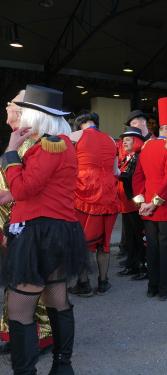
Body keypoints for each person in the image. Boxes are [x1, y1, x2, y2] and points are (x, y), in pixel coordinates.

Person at [0, 84, 88, 374]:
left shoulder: (50, 145)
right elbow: (44, 186)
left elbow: (26, 188)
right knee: (56, 298)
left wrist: (10, 152)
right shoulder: (59, 143)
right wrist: (10, 193)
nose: (18, 117)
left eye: (22, 112)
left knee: (18, 308)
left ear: (36, 117)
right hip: (58, 231)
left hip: (38, 233)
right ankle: (63, 366)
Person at [0, 90, 53, 356]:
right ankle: (15, 334)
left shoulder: (33, 143)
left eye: (13, 104)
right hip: (9, 222)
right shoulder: (19, 139)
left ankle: (40, 337)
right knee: (13, 283)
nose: (8, 107)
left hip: (22, 224)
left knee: (30, 285)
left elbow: (23, 189)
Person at [132, 97, 167, 301]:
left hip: (147, 208)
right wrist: (153, 203)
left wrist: (142, 203)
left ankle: (152, 287)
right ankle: (164, 289)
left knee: (152, 249)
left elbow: (137, 177)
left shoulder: (147, 147)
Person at [68, 111, 120, 297]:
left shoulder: (74, 137)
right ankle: (103, 282)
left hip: (84, 194)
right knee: (104, 243)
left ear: (79, 125)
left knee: (84, 242)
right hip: (109, 196)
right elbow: (116, 171)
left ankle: (84, 284)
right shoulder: (110, 140)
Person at [116, 127, 147, 280]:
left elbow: (132, 179)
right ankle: (132, 265)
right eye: (123, 140)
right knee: (130, 238)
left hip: (135, 205)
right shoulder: (130, 157)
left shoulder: (139, 157)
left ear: (137, 141)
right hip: (127, 205)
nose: (124, 143)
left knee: (138, 237)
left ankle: (142, 266)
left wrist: (118, 174)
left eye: (127, 140)